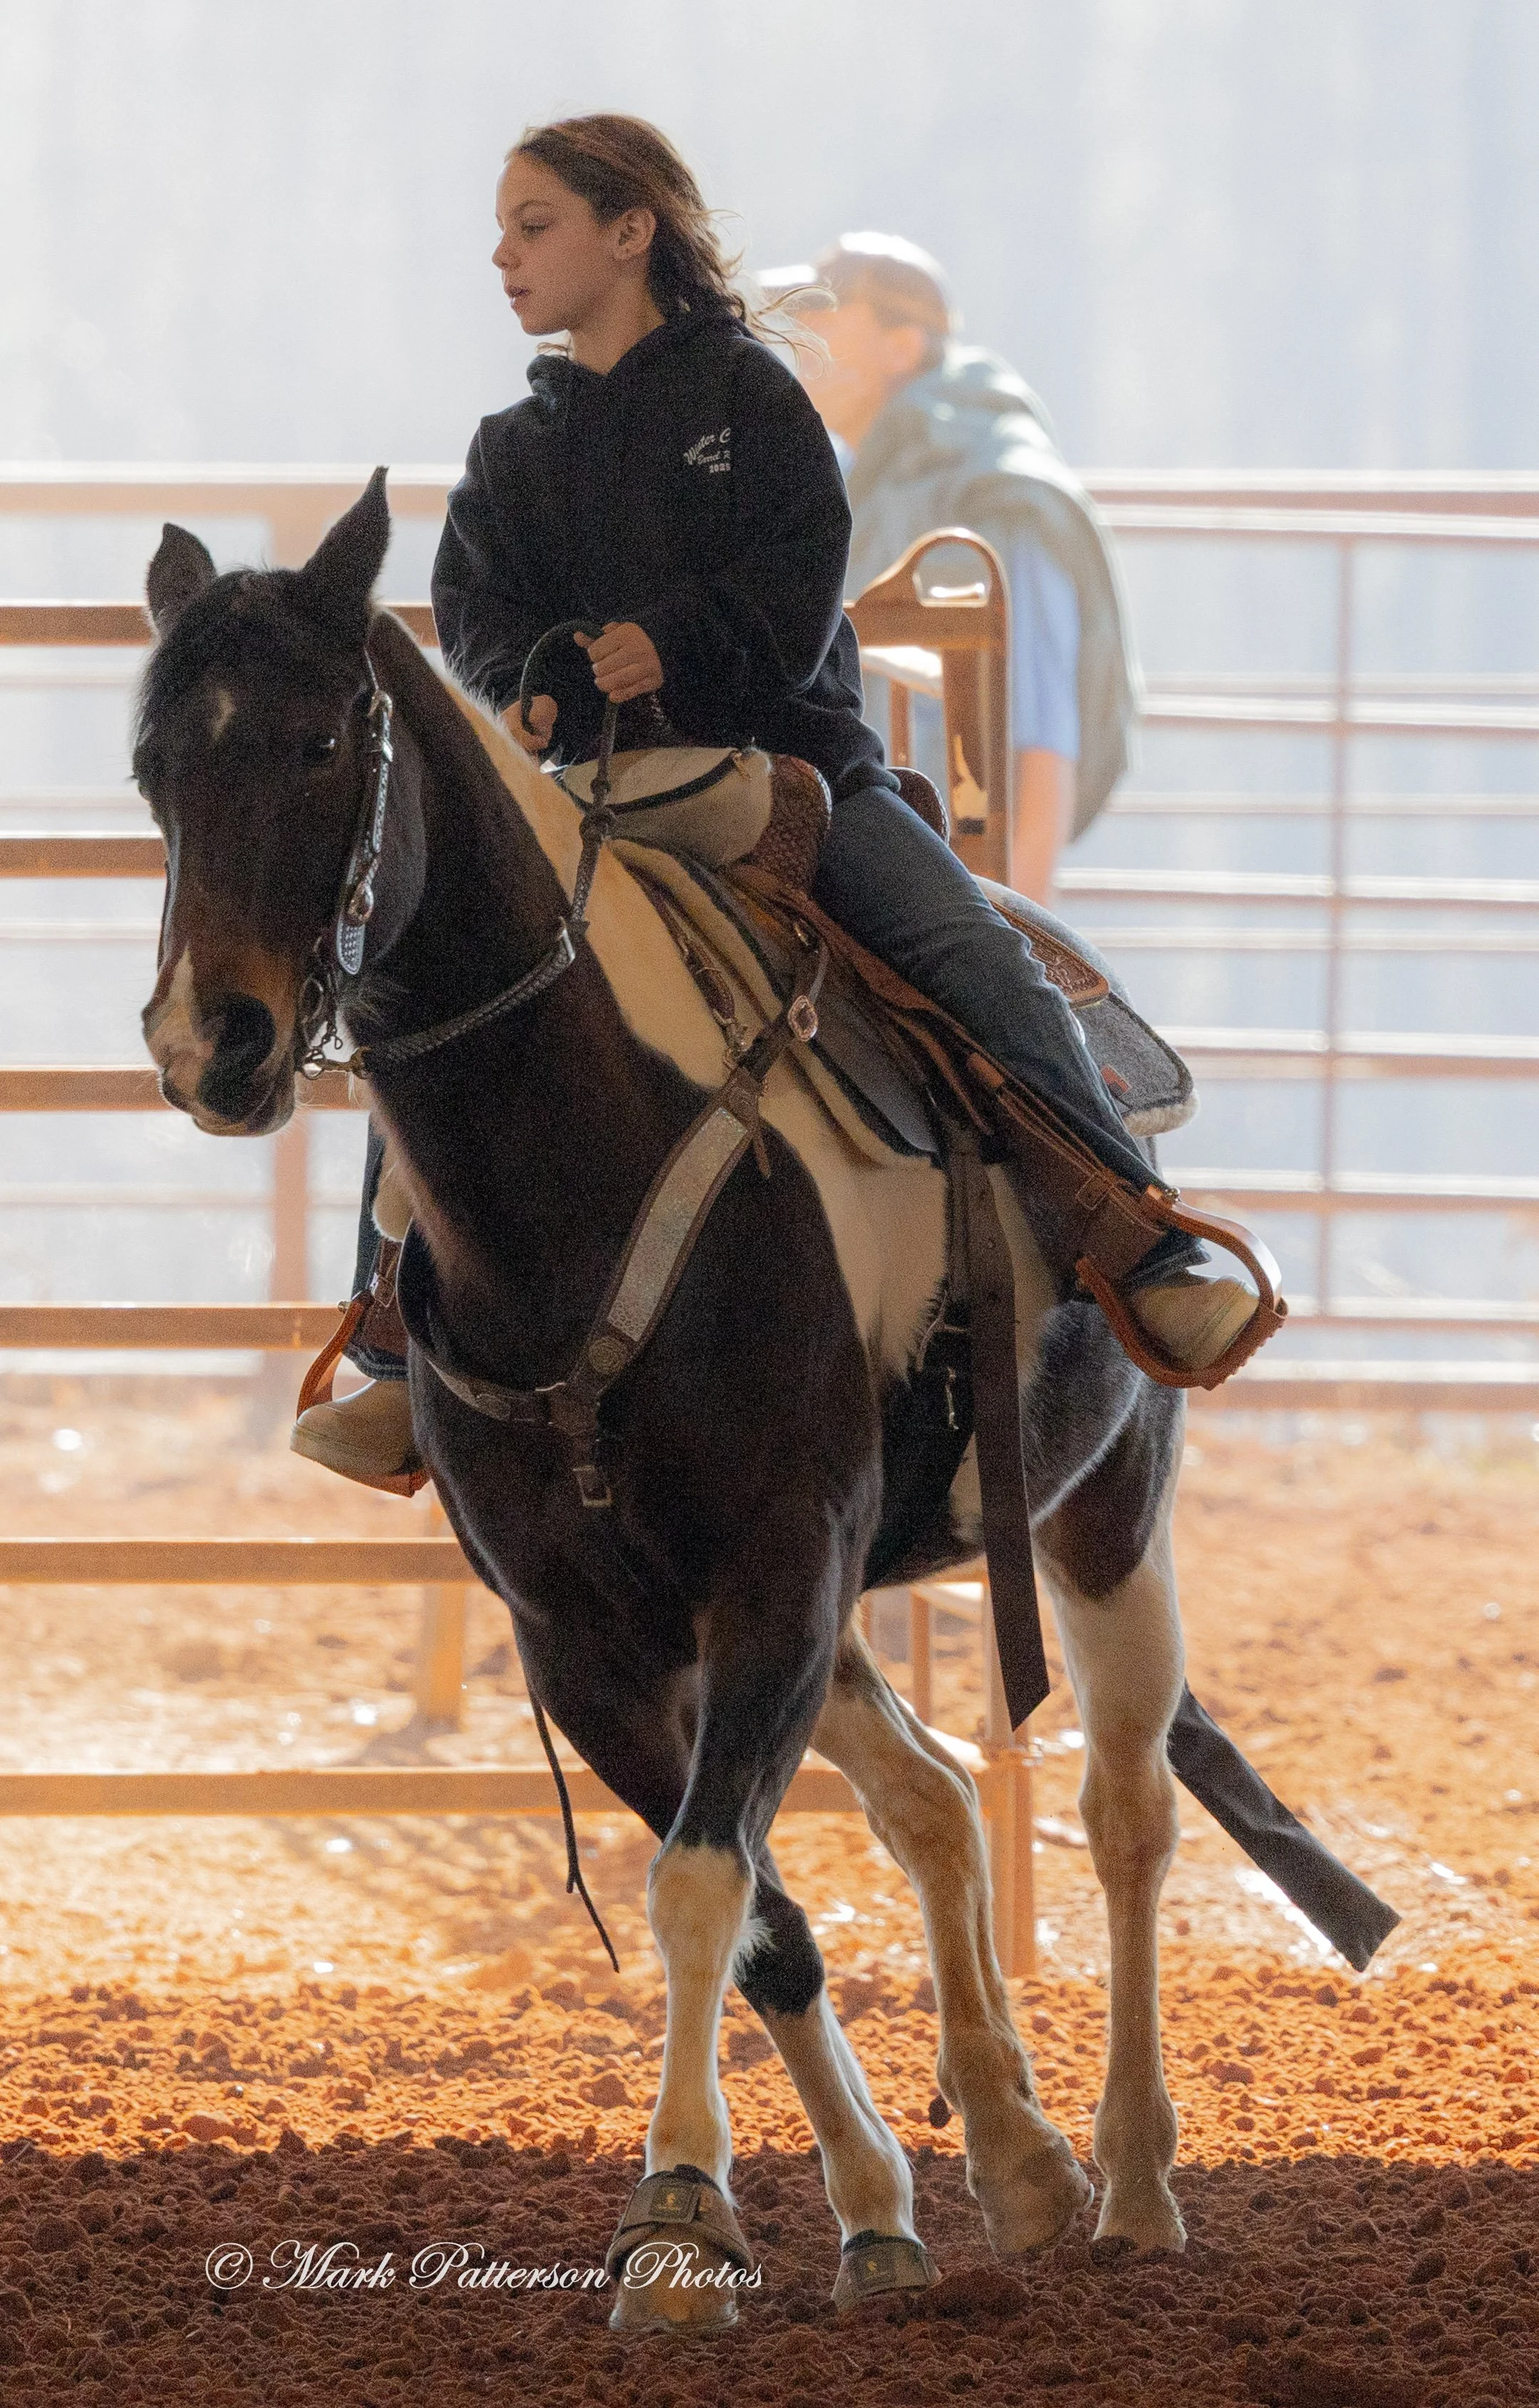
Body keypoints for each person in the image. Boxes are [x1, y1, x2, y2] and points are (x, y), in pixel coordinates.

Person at [292, 114, 1257, 1489]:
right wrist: (534, 681)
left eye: (534, 224)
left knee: (967, 951)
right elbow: (477, 614)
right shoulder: (511, 447)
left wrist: (676, 646)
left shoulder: (751, 401)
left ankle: (1139, 1240)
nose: (502, 255)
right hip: (588, 801)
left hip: (790, 774)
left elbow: (801, 582)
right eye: (503, 229)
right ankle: (393, 1345)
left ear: (630, 232)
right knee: (431, 998)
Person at [760, 233, 1137, 904]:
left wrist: (1016, 934)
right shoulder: (854, 479)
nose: (803, 333)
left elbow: (1042, 750)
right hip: (867, 850)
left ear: (900, 347)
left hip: (943, 884)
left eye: (827, 312)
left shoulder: (1000, 499)